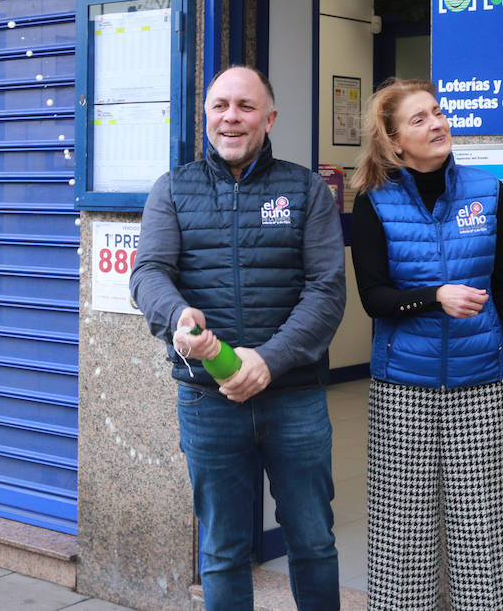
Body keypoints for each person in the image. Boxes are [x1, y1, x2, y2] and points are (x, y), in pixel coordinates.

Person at [130, 65, 346, 611]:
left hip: (294, 398)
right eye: (220, 105)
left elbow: (326, 290)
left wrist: (267, 361)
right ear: (205, 116)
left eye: (246, 106)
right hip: (207, 400)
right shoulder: (173, 189)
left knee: (313, 540)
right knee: (222, 549)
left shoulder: (306, 190)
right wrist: (179, 320)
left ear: (269, 118)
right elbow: (148, 273)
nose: (231, 116)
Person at [348, 78, 503, 610]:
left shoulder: (488, 191)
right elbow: (374, 298)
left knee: (487, 532)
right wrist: (434, 297)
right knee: (404, 536)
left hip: (480, 384)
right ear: (394, 140)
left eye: (438, 113)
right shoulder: (372, 203)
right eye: (419, 119)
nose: (437, 123)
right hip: (403, 388)